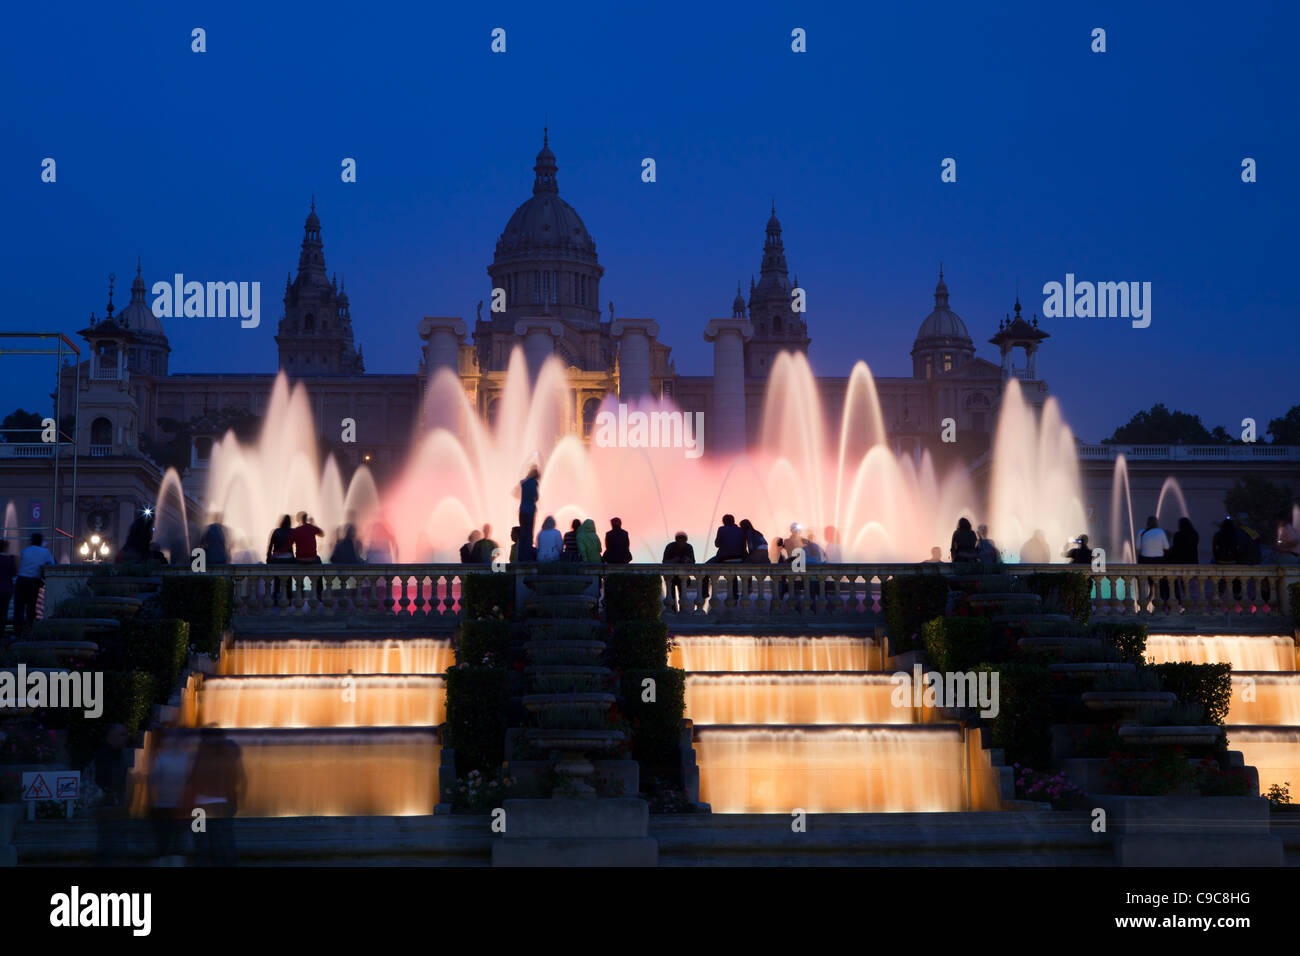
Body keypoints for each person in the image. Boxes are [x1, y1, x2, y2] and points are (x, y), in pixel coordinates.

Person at [184, 726, 246, 867]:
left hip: (201, 808)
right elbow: (239, 777)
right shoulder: (225, 755)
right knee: (222, 844)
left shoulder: (199, 755)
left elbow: (190, 779)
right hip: (220, 806)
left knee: (202, 844)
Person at [148, 735, 194, 864]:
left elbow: (153, 781)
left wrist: (154, 801)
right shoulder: (185, 759)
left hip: (167, 805)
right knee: (176, 841)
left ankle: (163, 860)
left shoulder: (163, 758)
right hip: (176, 806)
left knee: (165, 840)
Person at [93, 722, 131, 864]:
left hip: (116, 809)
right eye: (122, 734)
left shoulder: (119, 754)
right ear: (111, 736)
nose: (126, 738)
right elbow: (103, 780)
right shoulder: (104, 755)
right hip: (108, 809)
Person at [14, 532, 55, 637]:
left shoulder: (25, 551)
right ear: (41, 541)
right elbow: (52, 565)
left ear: (31, 541)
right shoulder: (45, 552)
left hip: (21, 580)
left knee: (19, 607)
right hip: (33, 582)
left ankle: (17, 632)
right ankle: (29, 630)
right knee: (31, 608)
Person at [1137, 516, 1171, 606]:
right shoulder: (1160, 532)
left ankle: (1149, 593)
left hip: (1145, 560)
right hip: (1159, 560)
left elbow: (1138, 547)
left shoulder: (1142, 532)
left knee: (1144, 578)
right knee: (1162, 579)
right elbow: (1167, 547)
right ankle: (1161, 596)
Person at [662, 531, 697, 611]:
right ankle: (673, 610)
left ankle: (682, 610)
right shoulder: (670, 547)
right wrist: (674, 560)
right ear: (676, 540)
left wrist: (687, 560)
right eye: (680, 540)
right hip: (671, 576)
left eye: (683, 540)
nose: (681, 542)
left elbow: (693, 562)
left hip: (682, 577)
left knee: (682, 594)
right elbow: (664, 562)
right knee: (671, 595)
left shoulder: (689, 547)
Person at [1169, 517, 1199, 605]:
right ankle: (1190, 600)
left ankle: (1181, 600)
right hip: (1192, 562)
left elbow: (1175, 549)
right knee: (1190, 584)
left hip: (1180, 561)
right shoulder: (1195, 534)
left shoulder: (1178, 535)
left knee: (1179, 582)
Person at [266, 515, 296, 602]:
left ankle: (276, 596)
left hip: (276, 559)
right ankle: (289, 597)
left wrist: (268, 558)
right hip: (288, 559)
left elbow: (270, 546)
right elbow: (293, 548)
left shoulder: (276, 531)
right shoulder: (292, 532)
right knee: (289, 579)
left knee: (277, 579)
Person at [515, 466, 540, 562]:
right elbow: (536, 497)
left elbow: (517, 494)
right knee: (529, 534)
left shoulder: (523, 482)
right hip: (530, 511)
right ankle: (527, 557)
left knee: (522, 534)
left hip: (522, 511)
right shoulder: (534, 482)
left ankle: (520, 556)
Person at [0, 541, 16, 637]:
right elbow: (13, 573)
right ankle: (2, 633)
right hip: (6, 589)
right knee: (4, 611)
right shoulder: (10, 560)